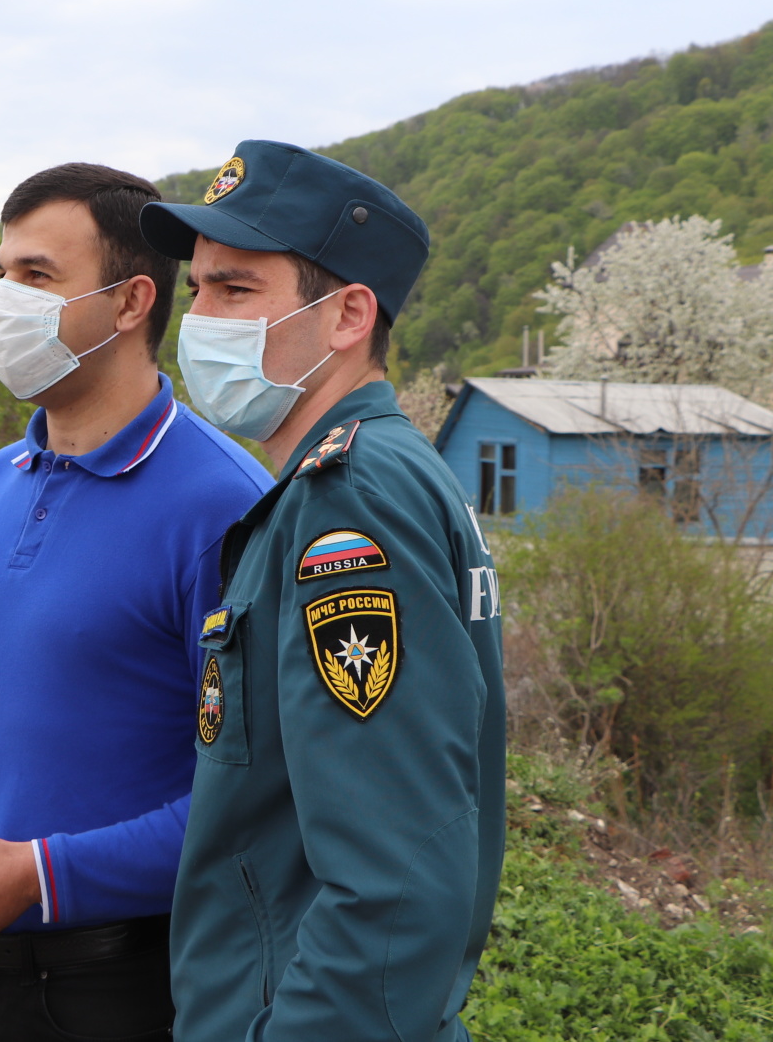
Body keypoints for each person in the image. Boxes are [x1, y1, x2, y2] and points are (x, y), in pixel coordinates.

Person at [0, 162, 274, 1042]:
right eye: (2, 275)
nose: (5, 302)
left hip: (117, 985)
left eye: (37, 276)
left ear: (130, 301)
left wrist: (37, 875)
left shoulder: (225, 507)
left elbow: (255, 796)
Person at [137, 139, 505, 1042]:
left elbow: (395, 880)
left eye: (236, 290)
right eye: (198, 291)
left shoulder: (352, 498)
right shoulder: (354, 475)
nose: (201, 320)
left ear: (347, 316)